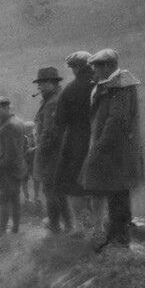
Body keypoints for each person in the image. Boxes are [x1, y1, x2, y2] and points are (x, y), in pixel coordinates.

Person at [78, 48, 145, 251]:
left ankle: (120, 241)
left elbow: (116, 121)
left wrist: (99, 146)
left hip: (116, 151)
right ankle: (115, 237)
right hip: (111, 151)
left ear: (107, 66)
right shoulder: (110, 84)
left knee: (118, 194)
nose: (95, 71)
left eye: (97, 67)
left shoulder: (121, 85)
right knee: (114, 192)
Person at [54, 51, 96, 235]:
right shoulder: (101, 86)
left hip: (76, 143)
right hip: (98, 141)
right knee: (97, 184)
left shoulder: (70, 90)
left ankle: (79, 226)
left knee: (73, 185)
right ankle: (97, 225)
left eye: (72, 68)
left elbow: (59, 121)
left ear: (77, 68)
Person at [32, 66, 71, 232]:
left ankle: (55, 226)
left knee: (50, 192)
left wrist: (39, 151)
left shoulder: (52, 103)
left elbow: (50, 132)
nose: (39, 87)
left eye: (42, 83)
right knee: (58, 192)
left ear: (52, 83)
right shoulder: (51, 99)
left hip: (51, 155)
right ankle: (67, 225)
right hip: (57, 154)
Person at [0, 97, 27, 235]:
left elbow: (9, 154)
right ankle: (15, 228)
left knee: (3, 199)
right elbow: (23, 147)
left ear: (6, 107)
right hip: (19, 167)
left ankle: (1, 230)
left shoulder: (7, 126)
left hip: (8, 170)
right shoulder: (18, 121)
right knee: (15, 198)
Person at [22, 120, 38, 203]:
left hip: (34, 161)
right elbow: (24, 150)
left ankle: (36, 196)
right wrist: (34, 149)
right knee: (25, 179)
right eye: (28, 128)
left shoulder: (35, 136)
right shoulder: (23, 137)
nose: (30, 129)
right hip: (26, 161)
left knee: (36, 179)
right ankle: (26, 196)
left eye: (31, 128)